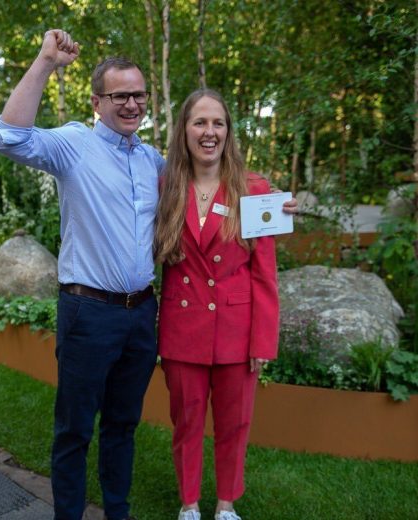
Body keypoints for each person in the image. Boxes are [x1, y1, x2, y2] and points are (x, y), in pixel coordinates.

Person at [0, 29, 295, 520]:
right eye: (120, 95)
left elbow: (221, 194)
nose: (132, 104)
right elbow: (9, 136)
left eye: (139, 95)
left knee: (122, 426)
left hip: (141, 316)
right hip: (88, 310)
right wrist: (46, 62)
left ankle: (117, 512)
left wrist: (276, 207)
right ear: (97, 101)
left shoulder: (158, 165)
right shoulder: (74, 146)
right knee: (75, 429)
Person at [154, 89, 280, 520]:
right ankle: (189, 503)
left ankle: (226, 505)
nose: (209, 132)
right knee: (186, 423)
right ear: (184, 130)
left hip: (237, 328)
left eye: (218, 123)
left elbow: (265, 273)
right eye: (200, 123)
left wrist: (263, 342)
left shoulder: (256, 189)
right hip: (182, 324)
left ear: (228, 131)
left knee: (235, 425)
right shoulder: (166, 185)